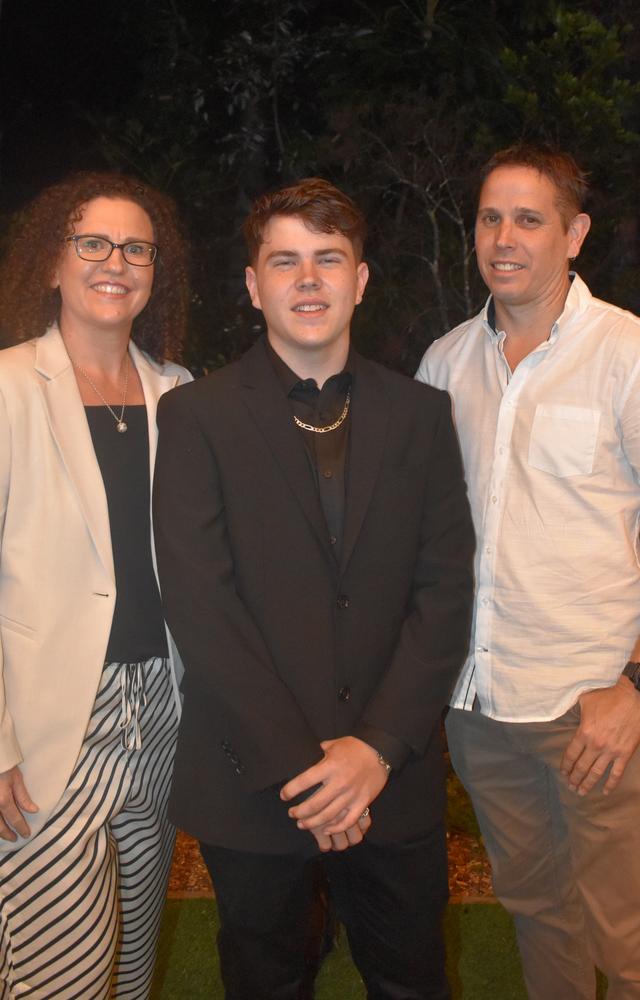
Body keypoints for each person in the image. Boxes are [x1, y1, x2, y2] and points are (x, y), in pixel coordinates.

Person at [153, 177, 474, 1000]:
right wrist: (304, 772)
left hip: (390, 781)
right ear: (253, 284)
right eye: (285, 261)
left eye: (328, 259)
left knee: (412, 984)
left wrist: (373, 751)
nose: (308, 280)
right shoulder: (195, 417)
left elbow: (443, 597)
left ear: (360, 280)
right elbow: (202, 606)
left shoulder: (422, 416)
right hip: (256, 784)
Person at [417, 144, 640, 999]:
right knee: (537, 913)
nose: (504, 237)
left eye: (529, 218)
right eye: (489, 217)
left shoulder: (631, 355)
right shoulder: (444, 364)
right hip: (482, 707)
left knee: (631, 938)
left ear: (575, 233)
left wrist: (638, 687)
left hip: (600, 707)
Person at [0, 172, 192, 999]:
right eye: (93, 242)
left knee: (131, 965)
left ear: (156, 272)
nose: (116, 260)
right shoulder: (8, 388)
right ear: (52, 262)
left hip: (161, 711)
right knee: (58, 975)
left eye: (136, 247)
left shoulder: (180, 395)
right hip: (48, 723)